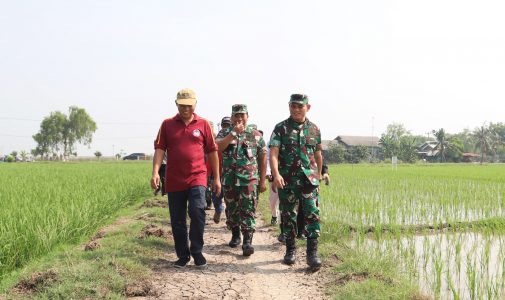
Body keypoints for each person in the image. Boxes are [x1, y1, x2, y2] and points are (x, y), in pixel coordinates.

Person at [151, 88, 221, 268]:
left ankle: (197, 250)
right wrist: (155, 173)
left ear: (195, 104)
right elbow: (160, 149)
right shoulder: (167, 124)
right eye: (182, 105)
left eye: (189, 105)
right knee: (177, 220)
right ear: (176, 104)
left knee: (197, 211)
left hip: (197, 177)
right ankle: (183, 255)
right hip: (174, 179)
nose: (185, 109)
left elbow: (213, 151)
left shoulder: (204, 124)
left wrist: (217, 178)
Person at [269, 93, 322, 270]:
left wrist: (319, 175)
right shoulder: (280, 128)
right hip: (288, 180)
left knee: (312, 214)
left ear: (308, 107)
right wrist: (276, 175)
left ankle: (312, 254)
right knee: (288, 215)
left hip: (309, 180)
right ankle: (290, 250)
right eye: (293, 105)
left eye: (300, 106)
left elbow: (318, 154)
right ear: (289, 106)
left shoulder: (314, 129)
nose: (296, 109)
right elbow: (274, 153)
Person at [216, 104, 267, 256]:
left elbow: (263, 158)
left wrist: (263, 181)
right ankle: (235, 234)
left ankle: (247, 241)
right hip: (229, 180)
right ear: (231, 118)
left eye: (242, 115)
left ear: (247, 117)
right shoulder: (224, 132)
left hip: (249, 180)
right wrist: (232, 134)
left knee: (249, 210)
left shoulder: (256, 135)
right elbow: (217, 148)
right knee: (232, 210)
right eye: (236, 116)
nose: (239, 118)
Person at [212, 116, 231, 224]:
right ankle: (218, 210)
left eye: (228, 125)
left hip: (230, 173)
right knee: (216, 195)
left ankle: (230, 219)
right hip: (217, 172)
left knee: (230, 199)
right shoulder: (219, 137)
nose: (225, 127)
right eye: (224, 125)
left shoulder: (235, 135)